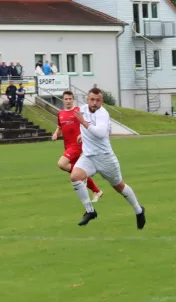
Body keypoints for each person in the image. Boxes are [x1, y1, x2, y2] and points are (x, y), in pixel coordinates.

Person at [70, 87, 146, 227]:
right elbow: (79, 119)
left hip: (105, 157)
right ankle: (90, 211)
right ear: (87, 99)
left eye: (98, 100)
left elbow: (99, 133)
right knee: (75, 176)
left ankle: (138, 210)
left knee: (119, 187)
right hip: (88, 156)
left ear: (102, 102)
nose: (94, 103)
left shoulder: (103, 114)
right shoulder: (82, 109)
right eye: (92, 99)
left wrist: (83, 123)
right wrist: (82, 134)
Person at [52, 90, 103, 203]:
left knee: (61, 164)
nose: (68, 101)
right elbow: (60, 127)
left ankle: (85, 179)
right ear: (63, 100)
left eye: (70, 99)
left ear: (73, 99)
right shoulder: (61, 113)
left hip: (77, 144)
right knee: (76, 171)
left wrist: (82, 133)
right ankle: (96, 191)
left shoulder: (78, 111)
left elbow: (87, 122)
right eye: (66, 99)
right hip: (67, 145)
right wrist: (56, 134)